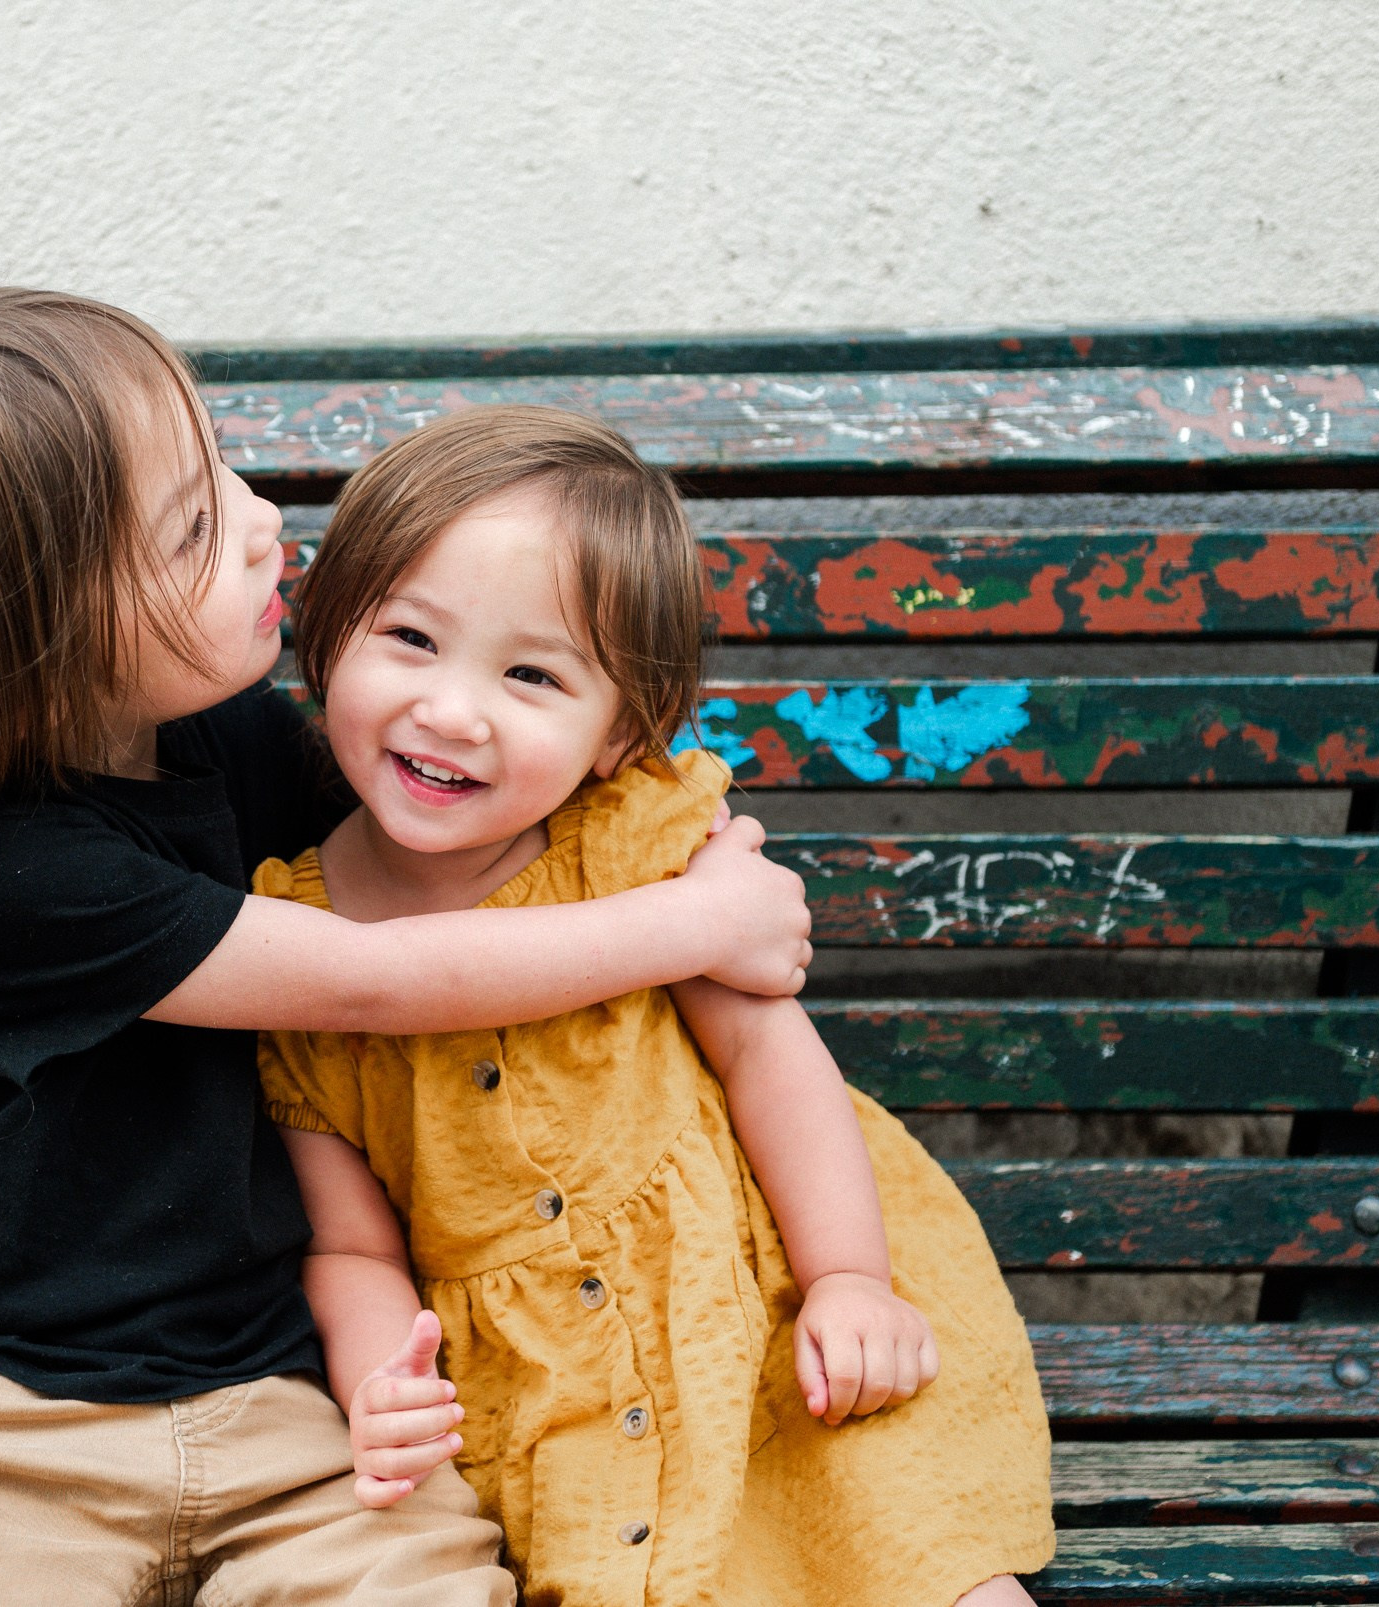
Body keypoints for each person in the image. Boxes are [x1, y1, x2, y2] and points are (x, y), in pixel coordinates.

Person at [0, 290, 819, 1606]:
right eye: (192, 525)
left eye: (220, 464)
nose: (262, 519)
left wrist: (660, 832)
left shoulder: (215, 734)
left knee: (424, 1583)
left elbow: (447, 860)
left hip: (286, 1390)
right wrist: (686, 923)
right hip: (0, 1416)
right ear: (23, 638)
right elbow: (374, 975)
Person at [258, 406, 1056, 1607]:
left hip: (761, 1311)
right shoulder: (295, 941)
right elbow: (349, 1238)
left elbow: (769, 1057)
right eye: (411, 638)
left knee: (914, 1560)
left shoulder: (634, 848)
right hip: (551, 1385)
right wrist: (384, 1379)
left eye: (531, 674)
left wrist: (848, 1275)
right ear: (329, 631)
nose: (453, 710)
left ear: (617, 730)